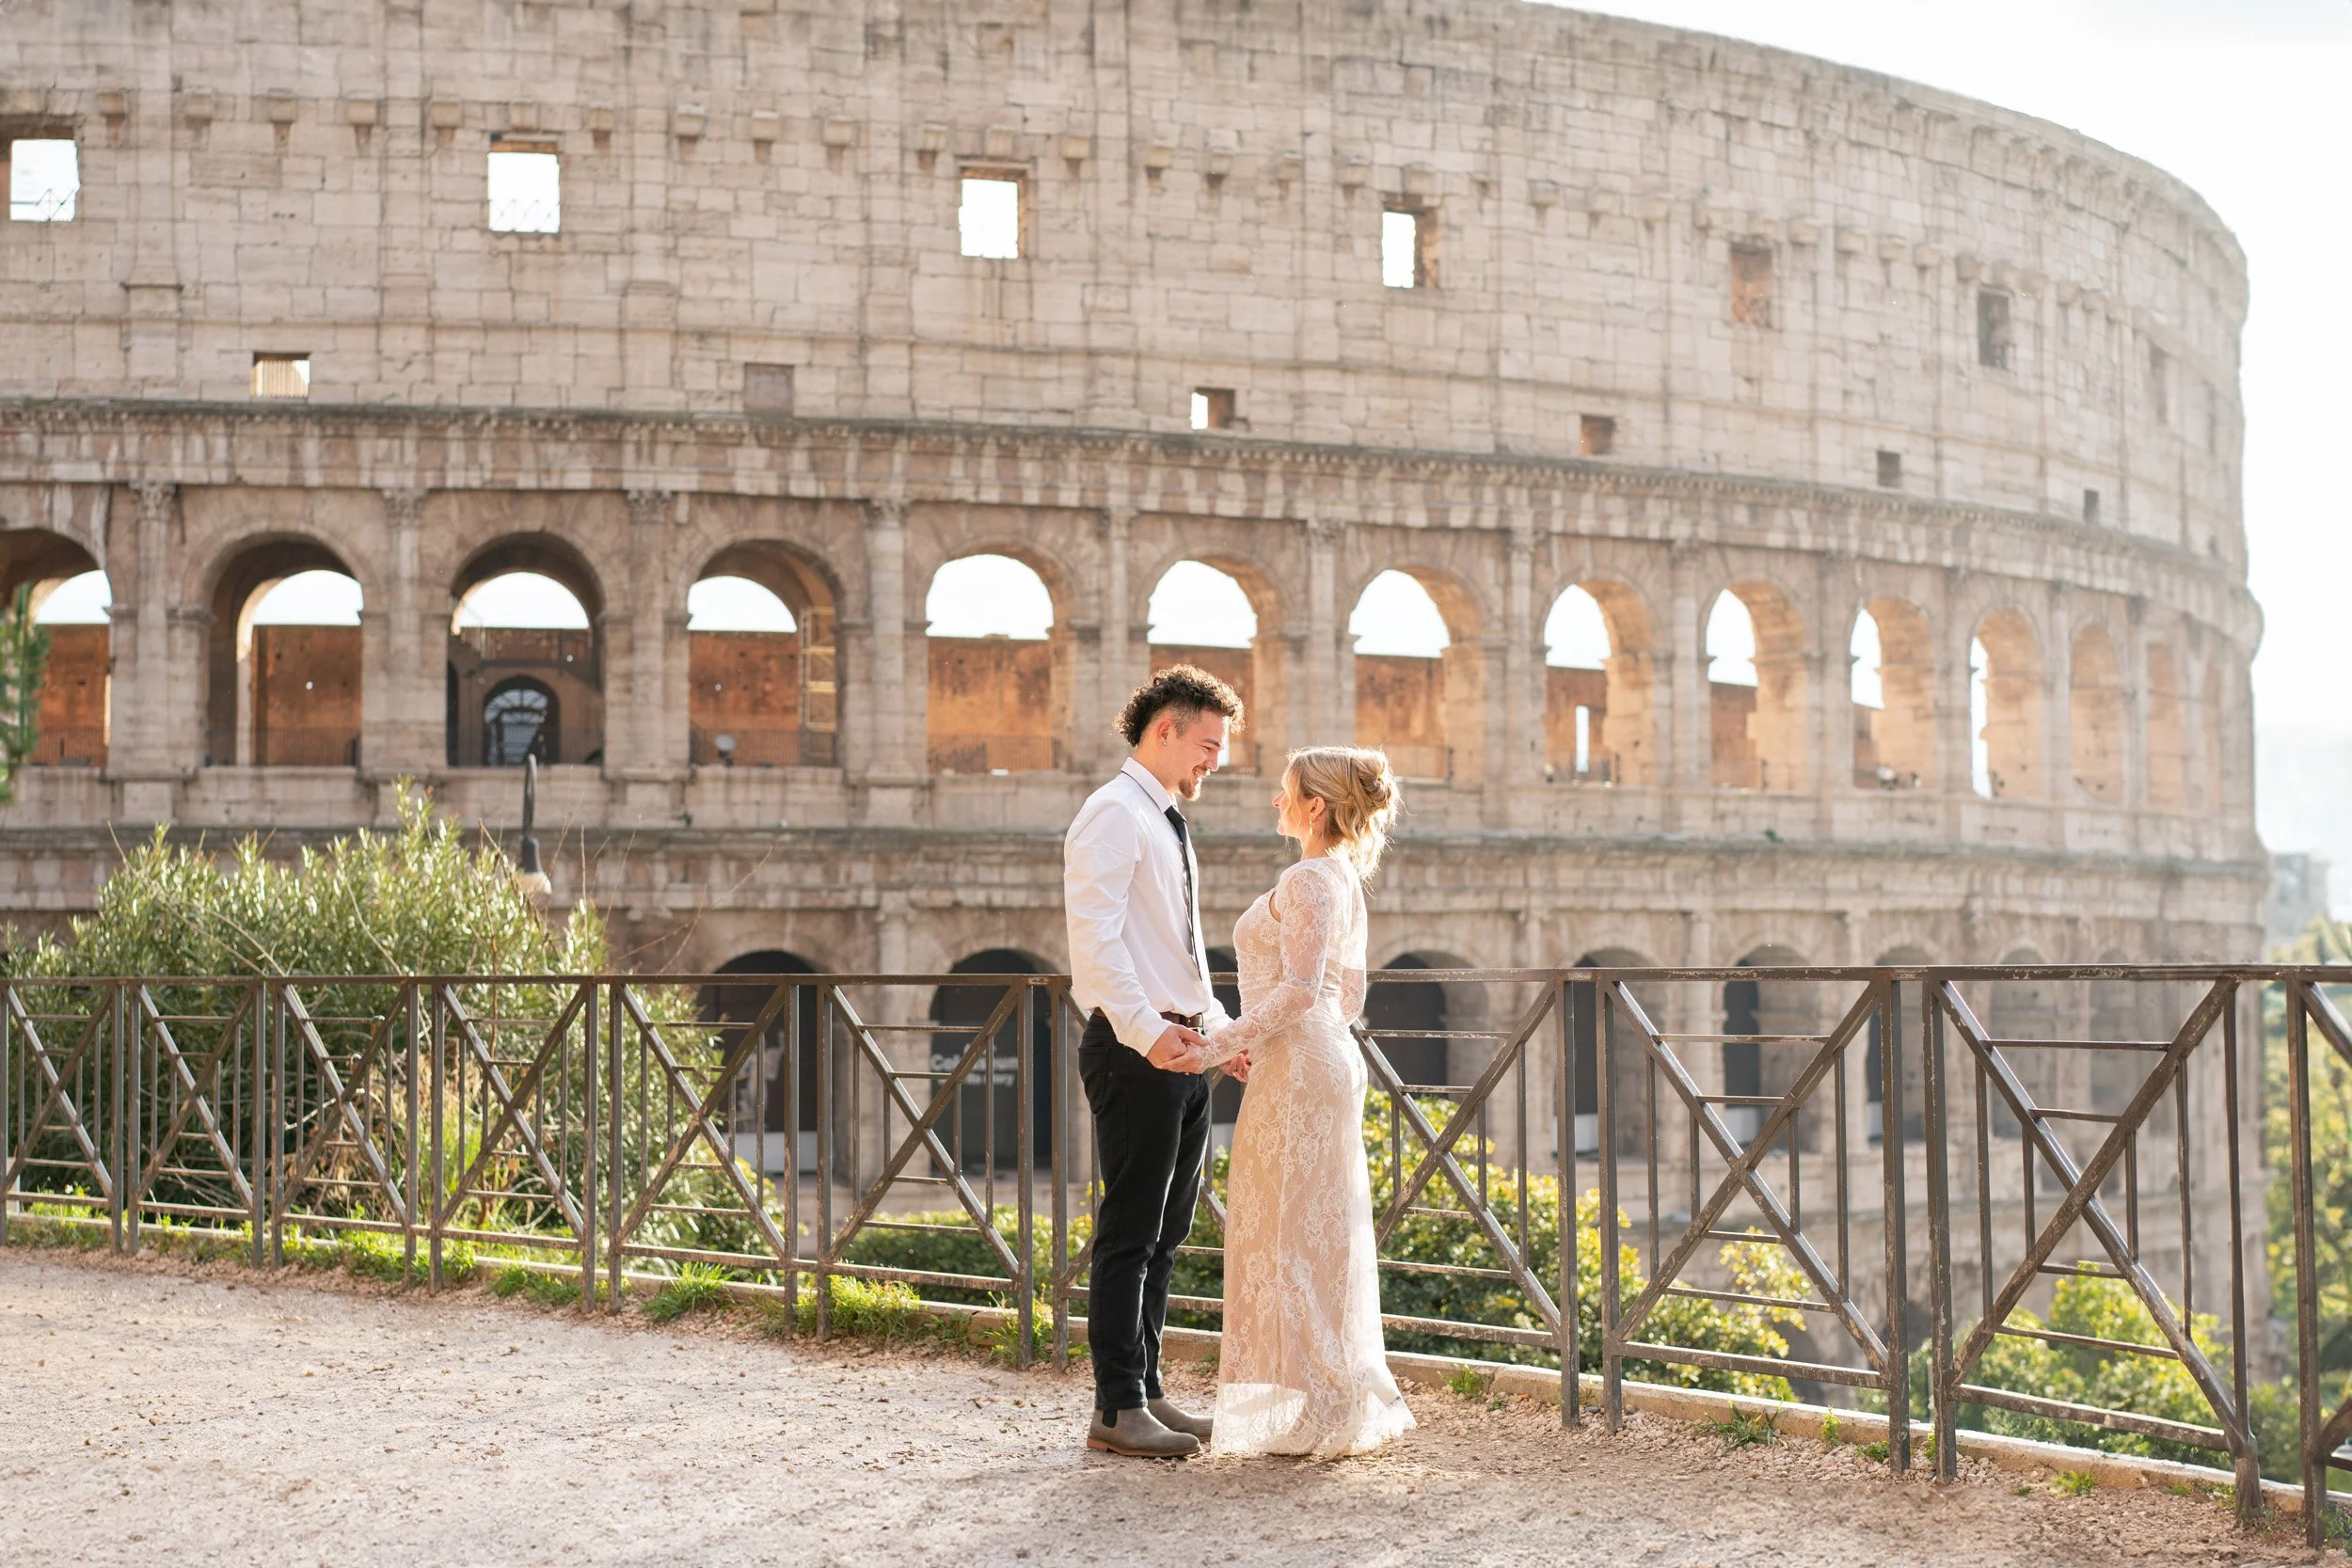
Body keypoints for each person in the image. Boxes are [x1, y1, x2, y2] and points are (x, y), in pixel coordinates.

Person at [1196, 746, 1415, 1458]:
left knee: (1284, 1229)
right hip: (1319, 1057)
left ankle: (1319, 1401)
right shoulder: (1343, 876)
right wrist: (1273, 1040)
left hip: (1298, 1064)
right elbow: (1346, 996)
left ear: (1315, 805)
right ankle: (1323, 1400)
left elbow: (1297, 987)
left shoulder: (1307, 877)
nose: (1276, 801)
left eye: (1286, 790)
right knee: (1313, 1228)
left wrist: (1218, 1041)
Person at [1063, 664, 1247, 1458]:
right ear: (1164, 728)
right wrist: (1148, 1031)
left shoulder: (1163, 817)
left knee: (1168, 1230)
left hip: (1182, 1046)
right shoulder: (1112, 814)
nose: (1216, 761)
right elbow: (1096, 944)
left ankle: (1150, 1390)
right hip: (1139, 1049)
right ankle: (1115, 1405)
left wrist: (1222, 1035)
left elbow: (1177, 953)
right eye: (1208, 744)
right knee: (1131, 1229)